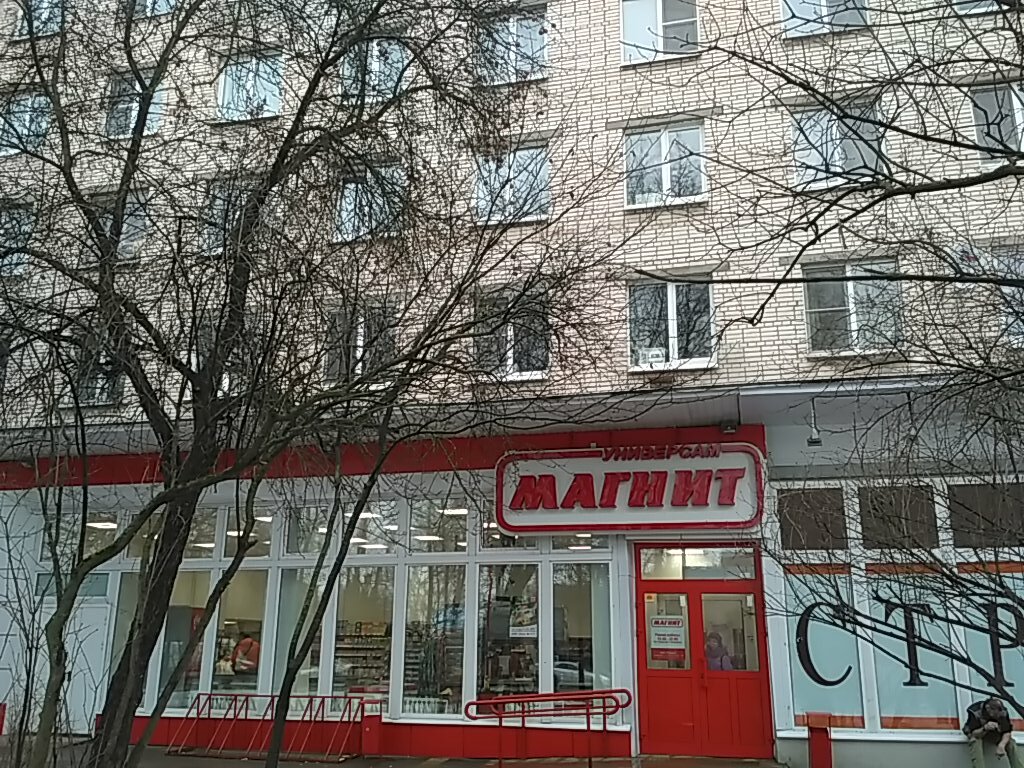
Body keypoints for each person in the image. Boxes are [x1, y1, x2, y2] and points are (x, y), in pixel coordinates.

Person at [964, 697, 1024, 768]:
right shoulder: (975, 711)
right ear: (988, 708)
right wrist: (985, 728)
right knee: (975, 740)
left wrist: (1001, 745)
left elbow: (1007, 732)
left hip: (995, 734)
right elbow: (973, 733)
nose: (998, 716)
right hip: (978, 732)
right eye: (995, 714)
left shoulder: (1003, 712)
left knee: (1011, 742)